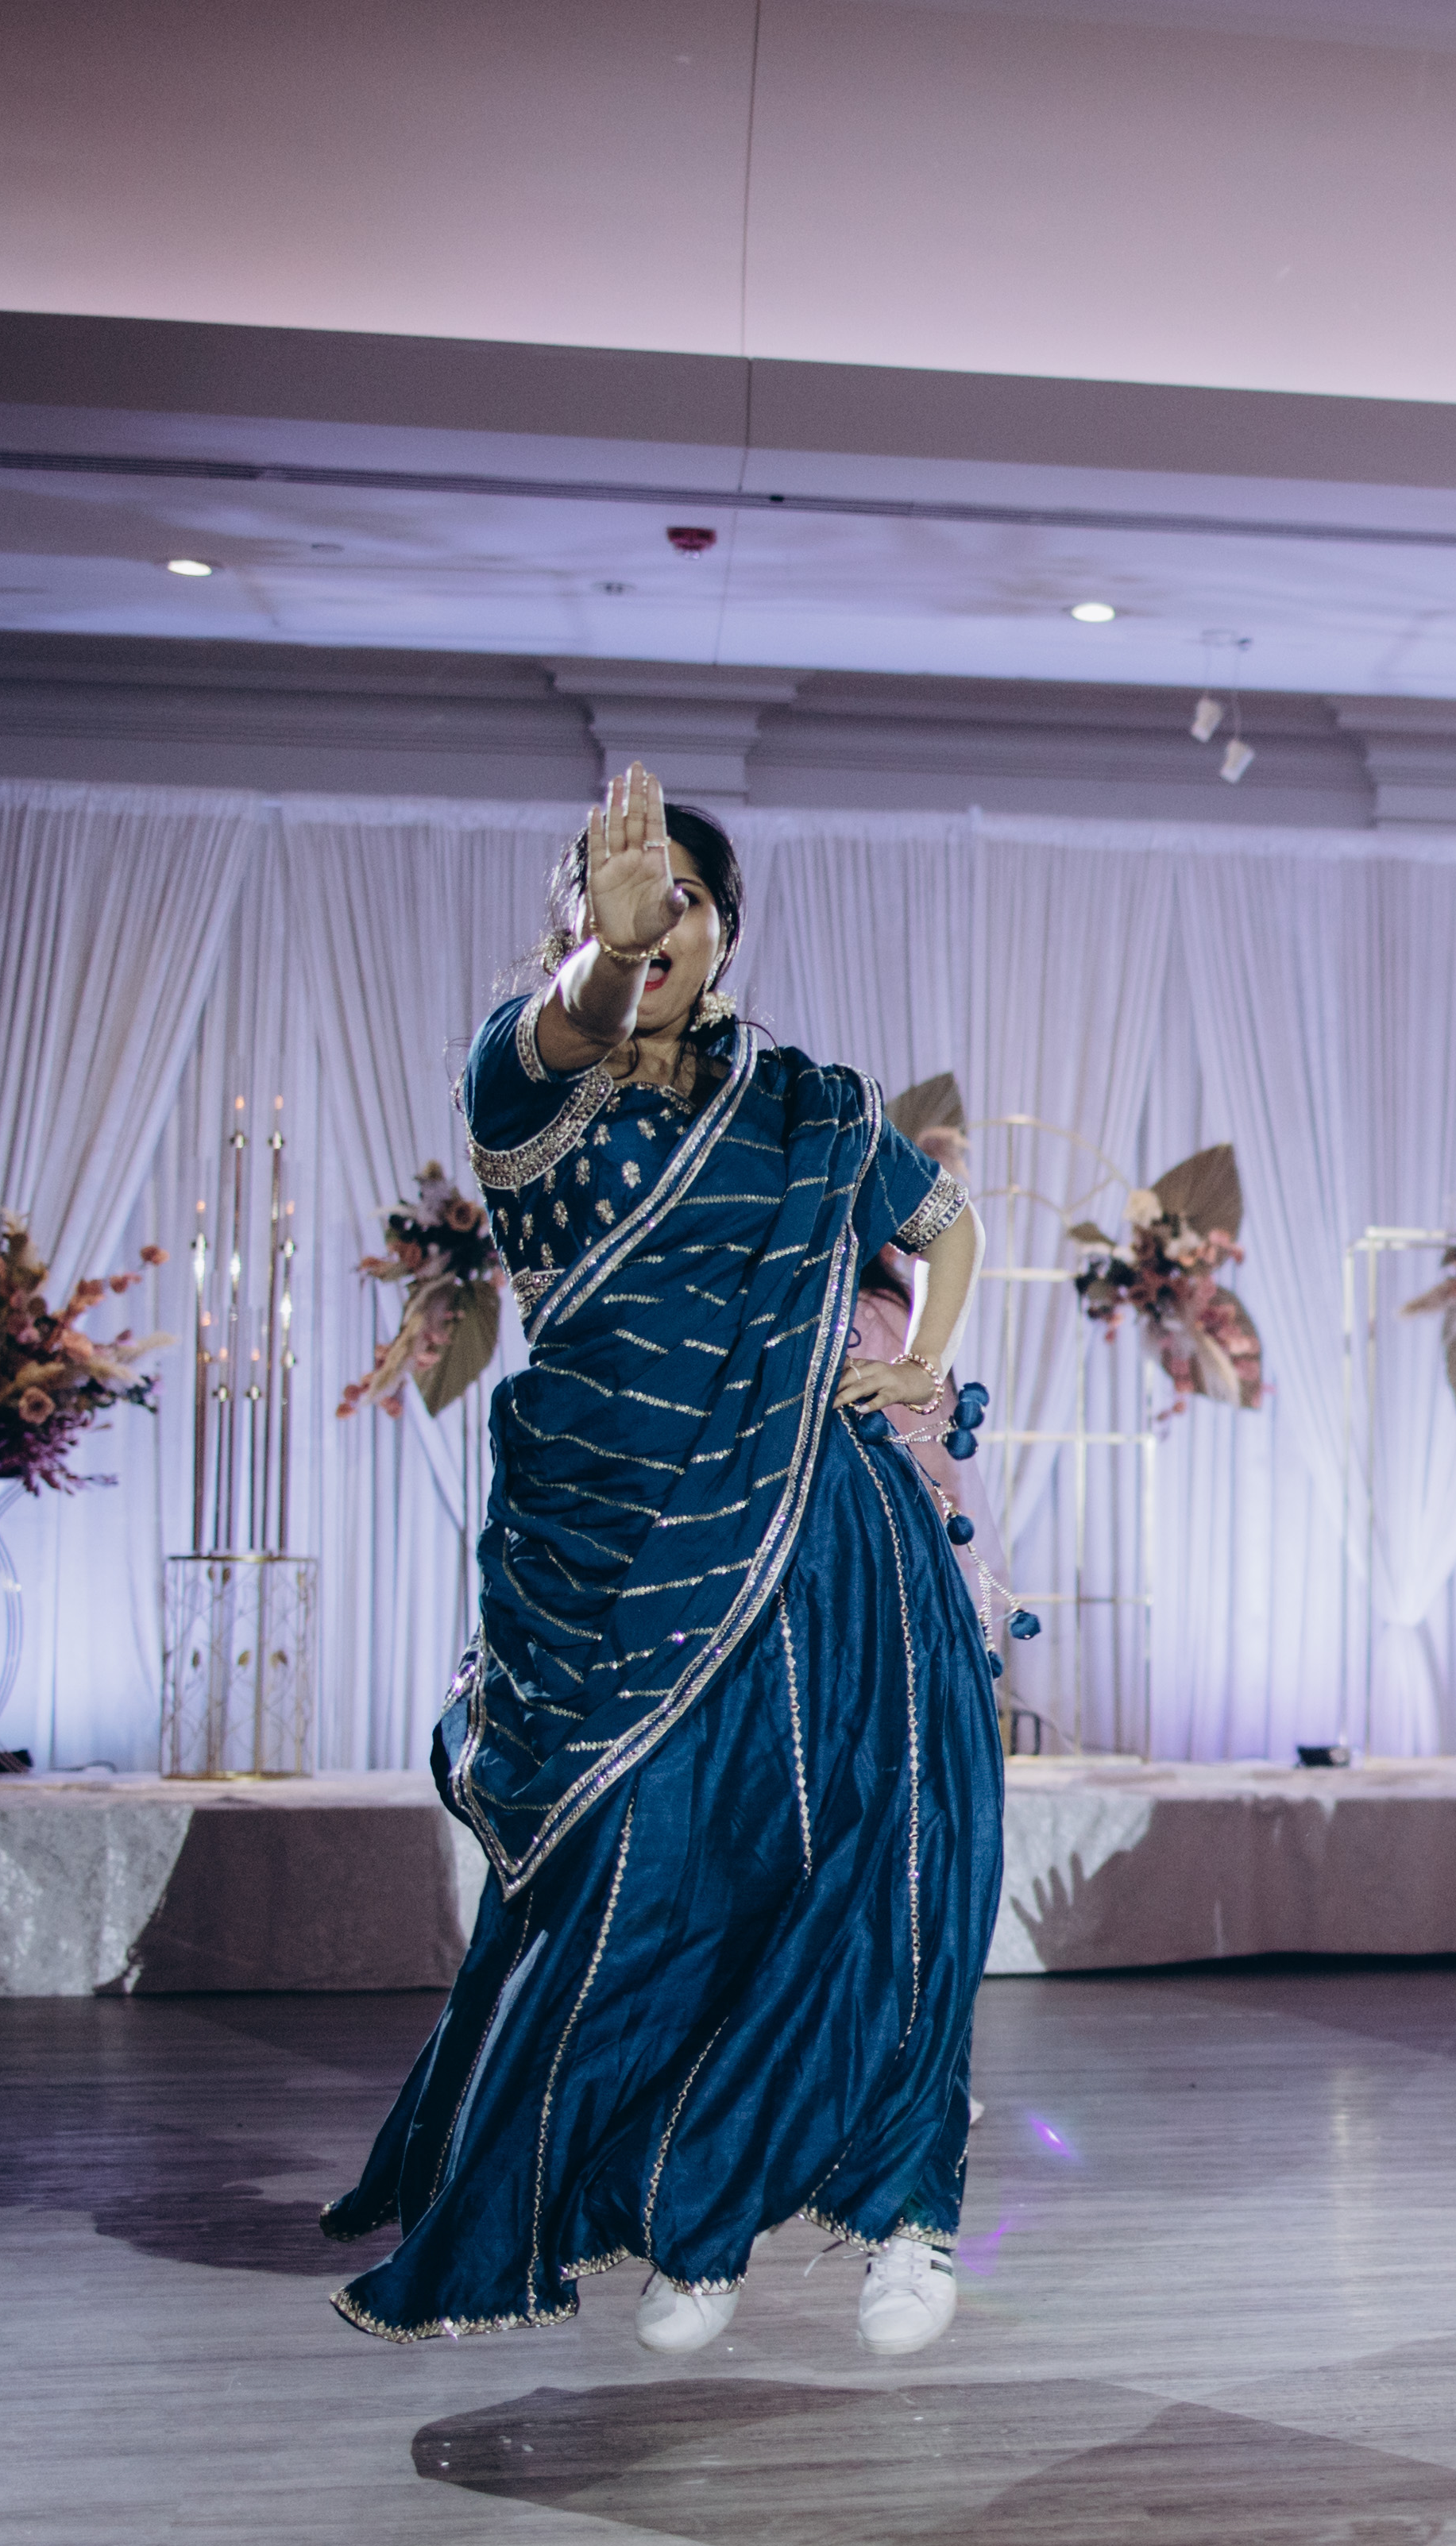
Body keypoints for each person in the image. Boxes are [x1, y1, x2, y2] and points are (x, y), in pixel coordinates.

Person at [325, 764, 1000, 2355]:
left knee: (881, 1871)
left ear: (730, 933)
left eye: (683, 903)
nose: (654, 925)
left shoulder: (813, 1104)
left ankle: (907, 2207)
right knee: (649, 1883)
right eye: (620, 901)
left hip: (831, 1543)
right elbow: (569, 1021)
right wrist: (606, 957)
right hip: (617, 1548)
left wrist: (920, 1356)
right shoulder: (525, 1084)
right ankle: (688, 2208)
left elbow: (944, 1223)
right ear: (574, 925)